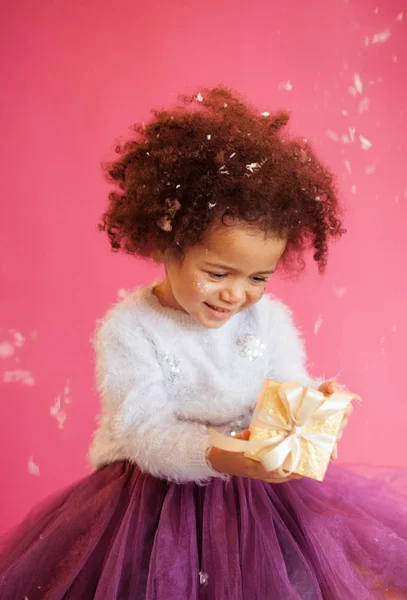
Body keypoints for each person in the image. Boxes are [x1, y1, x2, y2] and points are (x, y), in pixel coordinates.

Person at [0, 87, 406, 600]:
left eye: (258, 277)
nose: (238, 294)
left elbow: (287, 387)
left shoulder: (267, 318)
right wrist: (223, 455)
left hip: (259, 503)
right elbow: (146, 431)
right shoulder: (131, 329)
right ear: (169, 241)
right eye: (218, 272)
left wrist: (313, 405)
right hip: (152, 504)